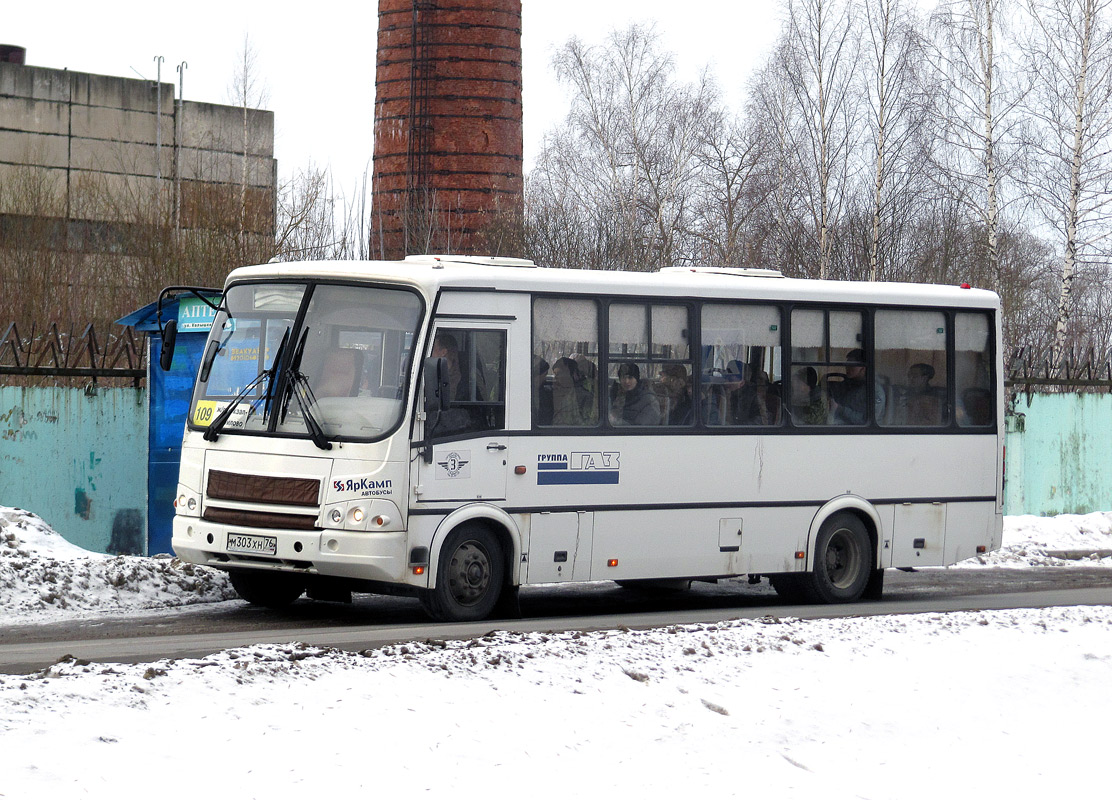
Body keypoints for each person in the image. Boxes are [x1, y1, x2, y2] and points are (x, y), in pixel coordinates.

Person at [551, 356, 593, 425]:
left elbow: (587, 425)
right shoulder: (551, 394)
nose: (555, 378)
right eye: (555, 375)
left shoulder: (584, 397)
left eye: (559, 374)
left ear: (573, 375)